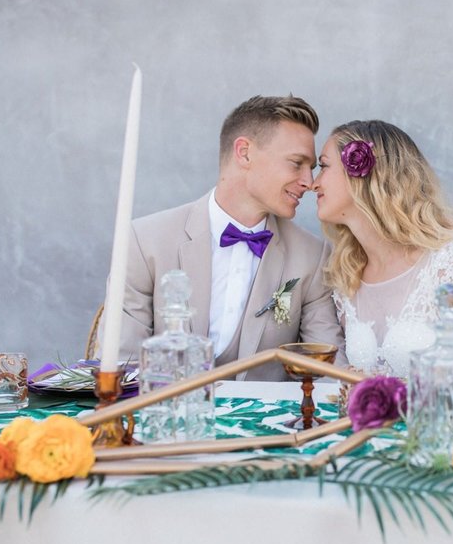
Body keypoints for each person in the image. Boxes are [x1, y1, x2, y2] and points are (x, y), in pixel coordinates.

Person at [119, 95, 343, 381]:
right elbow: (121, 366)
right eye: (297, 163)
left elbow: (328, 375)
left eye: (311, 168)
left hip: (267, 424)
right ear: (244, 152)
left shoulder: (313, 255)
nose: (309, 182)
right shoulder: (145, 240)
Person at [311, 119, 453, 381]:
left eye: (323, 166)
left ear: (363, 173)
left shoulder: (450, 263)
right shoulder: (347, 271)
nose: (314, 183)